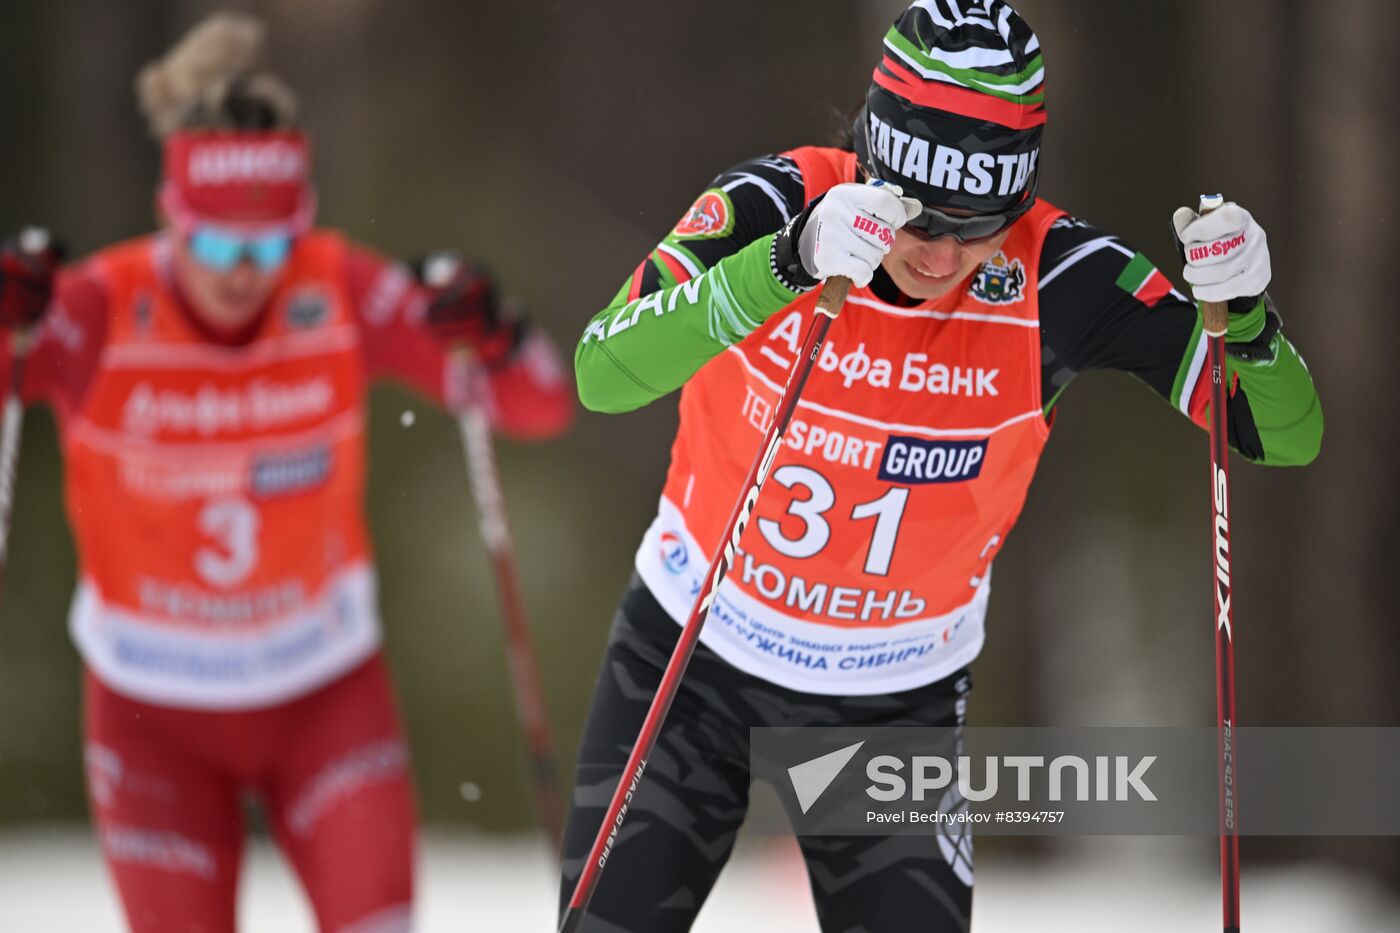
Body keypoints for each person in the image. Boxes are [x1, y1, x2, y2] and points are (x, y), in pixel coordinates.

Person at [560, 1, 1322, 930]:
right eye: (918, 218)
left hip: (891, 703)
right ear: (875, 166)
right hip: (690, 660)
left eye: (980, 224)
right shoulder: (775, 205)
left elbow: (1281, 432)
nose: (943, 254)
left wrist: (1244, 316)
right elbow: (602, 371)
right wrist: (785, 268)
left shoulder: (1060, 275)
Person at [0, 13, 571, 933]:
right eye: (219, 247)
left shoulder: (337, 288)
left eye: (268, 248)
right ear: (169, 217)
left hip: (322, 690)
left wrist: (492, 331)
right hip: (152, 711)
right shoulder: (99, 308)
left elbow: (537, 403)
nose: (243, 275)